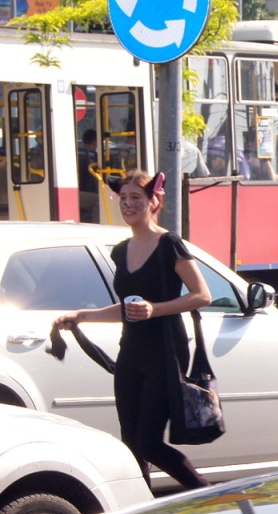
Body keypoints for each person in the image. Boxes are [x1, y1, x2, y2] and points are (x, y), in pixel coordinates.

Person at [54, 169, 212, 490]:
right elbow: (127, 309)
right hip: (132, 353)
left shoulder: (169, 244)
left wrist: (156, 309)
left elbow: (202, 295)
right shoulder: (120, 250)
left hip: (165, 354)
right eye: (123, 198)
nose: (127, 204)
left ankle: (209, 495)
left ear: (154, 201)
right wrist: (81, 316)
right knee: (130, 442)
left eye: (135, 198)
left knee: (149, 442)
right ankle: (142, 510)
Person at [77, 129, 99, 223]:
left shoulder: (77, 154)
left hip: (78, 191)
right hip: (81, 193)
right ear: (95, 141)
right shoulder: (94, 158)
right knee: (99, 201)